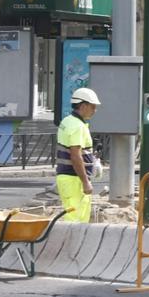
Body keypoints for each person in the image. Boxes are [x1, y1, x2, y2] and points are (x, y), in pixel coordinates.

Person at [56, 88, 100, 223]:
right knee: (76, 221)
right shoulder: (78, 126)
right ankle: (71, 245)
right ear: (83, 105)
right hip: (75, 180)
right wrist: (85, 182)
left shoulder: (67, 121)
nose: (95, 110)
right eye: (93, 106)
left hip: (67, 178)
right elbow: (75, 156)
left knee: (73, 217)